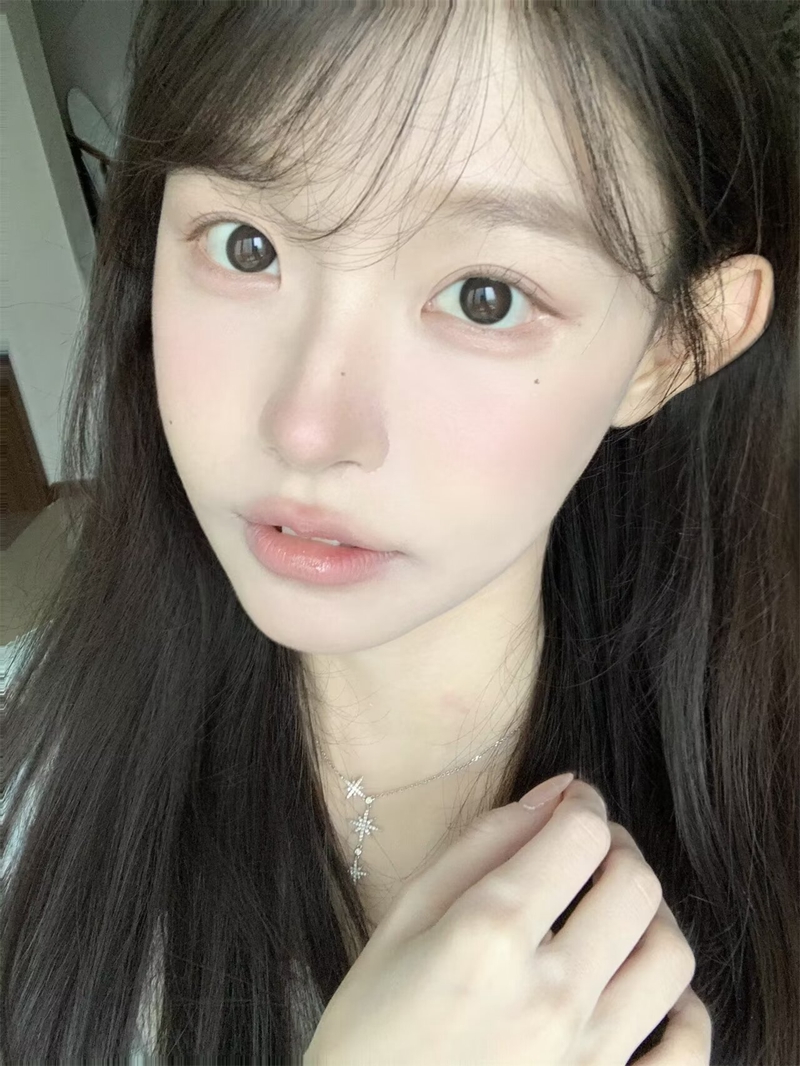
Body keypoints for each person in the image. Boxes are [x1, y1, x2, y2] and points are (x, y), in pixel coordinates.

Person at [1, 1, 797, 1063]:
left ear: (670, 348)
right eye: (246, 246)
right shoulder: (24, 776)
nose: (307, 428)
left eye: (484, 296)